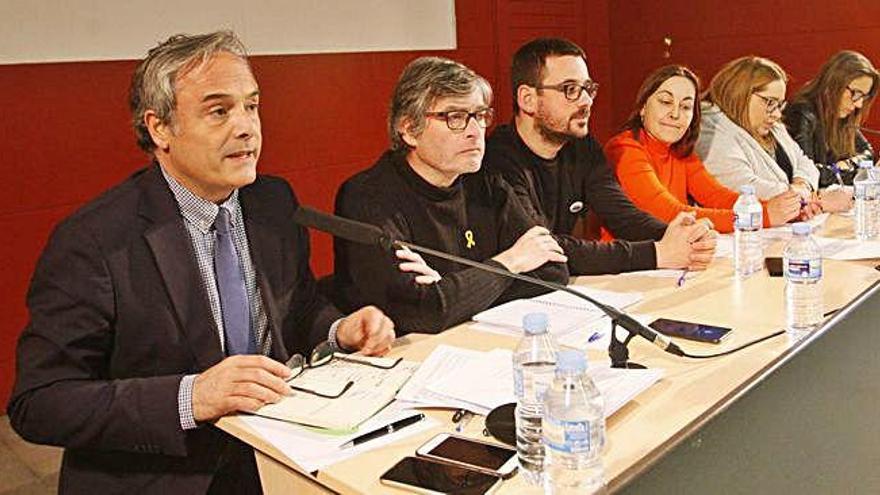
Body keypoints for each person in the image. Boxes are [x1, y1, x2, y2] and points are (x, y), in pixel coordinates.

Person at [7, 31, 395, 494]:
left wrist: (339, 330)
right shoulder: (93, 240)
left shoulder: (272, 201)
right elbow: (40, 403)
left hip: (279, 449)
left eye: (251, 106)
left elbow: (300, 306)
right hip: (166, 475)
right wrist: (192, 397)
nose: (247, 127)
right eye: (219, 111)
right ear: (160, 129)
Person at [332, 56, 569, 334]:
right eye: (455, 117)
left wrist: (451, 288)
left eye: (480, 116)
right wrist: (510, 262)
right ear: (409, 129)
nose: (475, 132)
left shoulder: (485, 181)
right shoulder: (367, 198)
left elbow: (553, 271)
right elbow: (420, 313)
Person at [484, 38, 716, 275]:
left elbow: (622, 216)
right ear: (527, 99)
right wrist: (658, 253)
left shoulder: (582, 146)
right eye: (570, 90)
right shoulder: (498, 159)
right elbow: (544, 249)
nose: (587, 101)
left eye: (588, 89)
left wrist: (682, 237)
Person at [605, 65, 801, 233]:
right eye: (665, 102)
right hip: (627, 270)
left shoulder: (680, 151)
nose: (675, 114)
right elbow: (668, 213)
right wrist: (764, 216)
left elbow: (717, 197)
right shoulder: (625, 148)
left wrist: (785, 209)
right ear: (643, 107)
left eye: (686, 106)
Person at [696, 56, 851, 214]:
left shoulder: (773, 127)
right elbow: (744, 188)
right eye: (769, 102)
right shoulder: (712, 129)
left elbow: (805, 162)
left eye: (779, 104)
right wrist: (810, 199)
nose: (777, 114)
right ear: (739, 94)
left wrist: (802, 184)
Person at [784, 50, 878, 187]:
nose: (859, 104)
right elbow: (808, 174)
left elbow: (868, 153)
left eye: (864, 96)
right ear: (834, 83)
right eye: (856, 93)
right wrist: (849, 171)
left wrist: (848, 164)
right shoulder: (801, 113)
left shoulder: (840, 113)